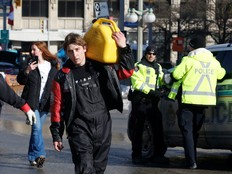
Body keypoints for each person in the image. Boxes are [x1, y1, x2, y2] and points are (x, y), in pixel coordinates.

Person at [49, 31, 134, 174]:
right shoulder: (62, 76)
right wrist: (56, 134)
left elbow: (127, 72)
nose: (75, 55)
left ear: (84, 48)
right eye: (70, 51)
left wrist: (123, 47)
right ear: (66, 53)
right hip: (78, 127)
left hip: (103, 125)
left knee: (98, 169)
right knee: (85, 168)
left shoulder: (101, 67)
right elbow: (57, 106)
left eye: (77, 49)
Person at [170, 37, 226, 169]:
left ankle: (191, 162)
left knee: (187, 132)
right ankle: (193, 159)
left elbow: (176, 75)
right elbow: (221, 74)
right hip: (204, 102)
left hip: (188, 102)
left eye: (189, 46)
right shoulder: (213, 61)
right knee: (195, 132)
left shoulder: (188, 60)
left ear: (192, 47)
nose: (188, 48)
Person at [17, 41, 60, 168]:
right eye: (32, 50)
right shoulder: (30, 64)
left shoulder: (52, 67)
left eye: (34, 49)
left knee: (37, 130)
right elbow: (21, 80)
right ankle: (40, 154)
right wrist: (27, 71)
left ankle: (31, 156)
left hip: (45, 102)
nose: (32, 52)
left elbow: (56, 85)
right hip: (31, 102)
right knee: (36, 128)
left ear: (41, 50)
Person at [129, 45, 168, 165]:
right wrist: (151, 91)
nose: (151, 56)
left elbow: (161, 80)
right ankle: (136, 155)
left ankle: (158, 155)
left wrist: (164, 87)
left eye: (154, 54)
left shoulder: (158, 67)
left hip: (152, 102)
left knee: (157, 128)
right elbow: (137, 83)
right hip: (141, 101)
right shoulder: (138, 66)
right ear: (145, 54)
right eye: (149, 53)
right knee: (138, 129)